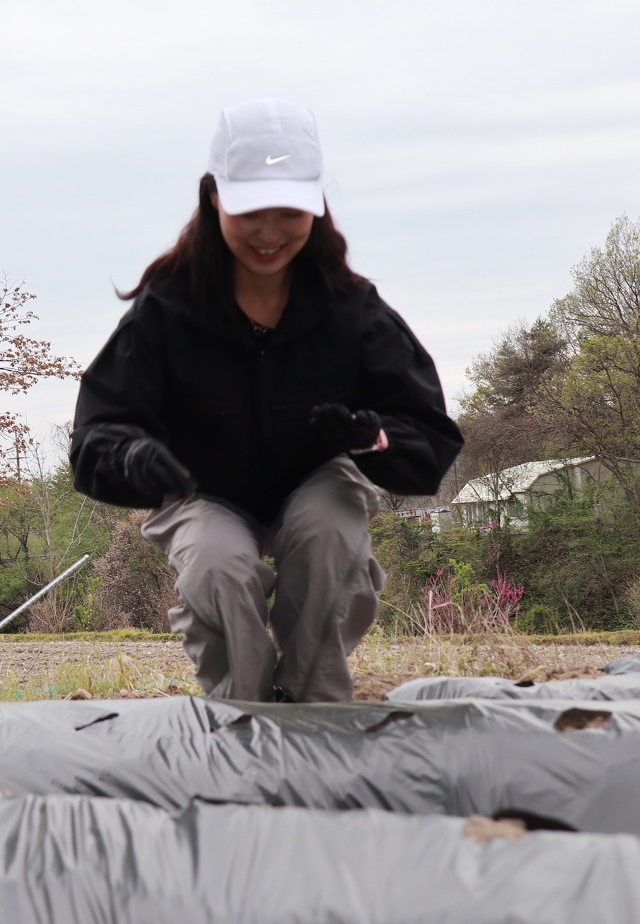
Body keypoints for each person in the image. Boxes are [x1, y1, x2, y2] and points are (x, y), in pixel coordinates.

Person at [70, 98, 462, 703]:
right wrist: (132, 458)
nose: (271, 233)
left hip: (316, 477)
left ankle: (313, 705)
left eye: (291, 212)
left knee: (331, 537)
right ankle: (242, 714)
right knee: (218, 567)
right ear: (213, 199)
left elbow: (426, 433)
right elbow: (100, 431)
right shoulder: (167, 308)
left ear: (317, 208)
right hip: (203, 489)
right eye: (252, 211)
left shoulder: (350, 307)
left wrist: (372, 437)